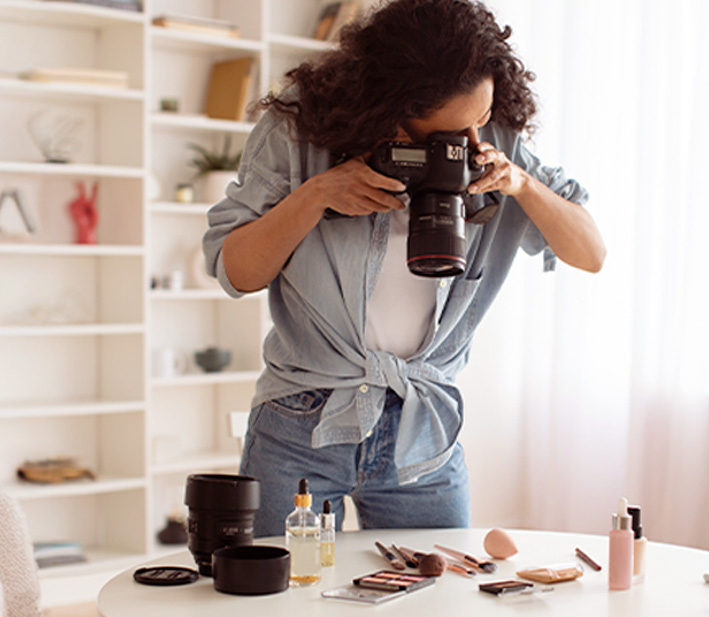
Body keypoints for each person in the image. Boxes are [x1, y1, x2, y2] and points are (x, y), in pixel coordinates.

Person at [203, 0, 605, 537]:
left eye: (479, 120)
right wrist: (318, 195)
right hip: (303, 418)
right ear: (390, 111)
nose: (467, 143)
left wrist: (523, 185)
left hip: (422, 424)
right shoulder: (302, 128)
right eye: (442, 136)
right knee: (276, 605)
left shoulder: (495, 143)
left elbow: (591, 253)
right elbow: (236, 270)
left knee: (437, 604)